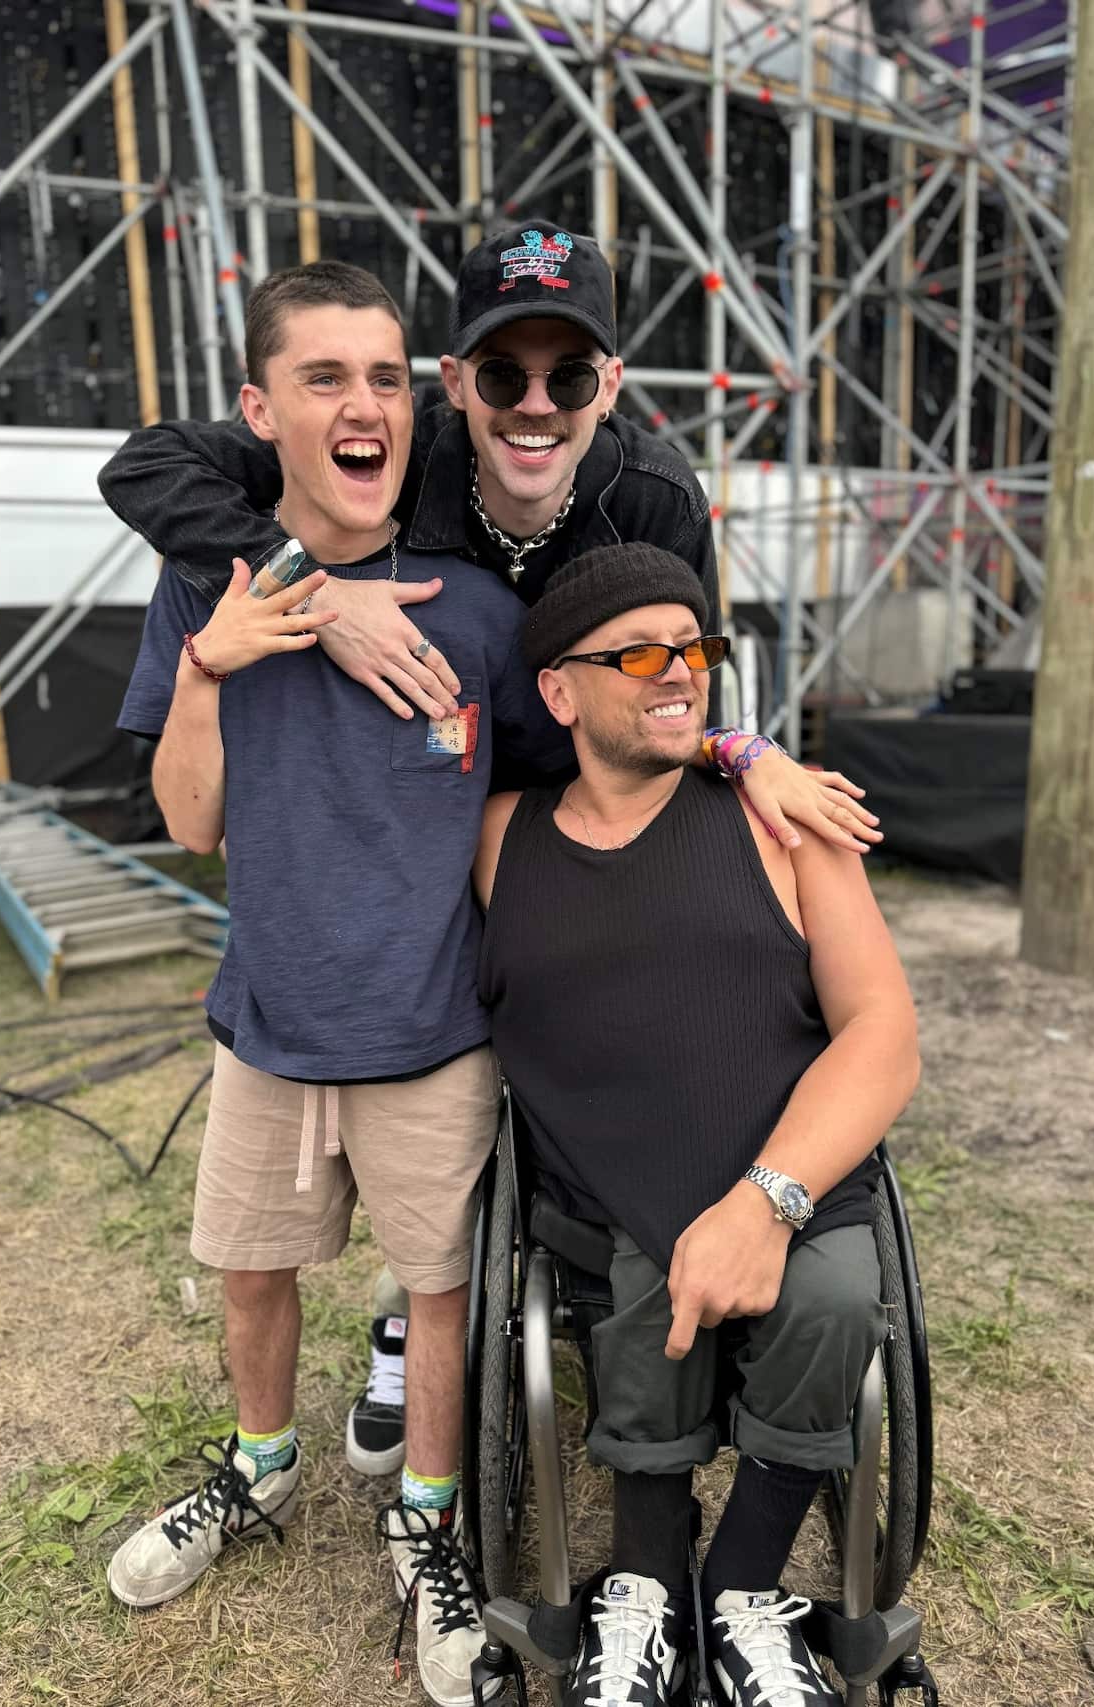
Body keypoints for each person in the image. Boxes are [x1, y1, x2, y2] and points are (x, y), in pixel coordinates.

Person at [98, 227, 883, 1481]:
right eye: (498, 375)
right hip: (427, 789)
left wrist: (741, 753)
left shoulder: (654, 501)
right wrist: (317, 591)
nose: (534, 403)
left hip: (569, 757)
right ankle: (405, 1335)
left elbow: (675, 679)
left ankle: (571, 1257)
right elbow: (149, 465)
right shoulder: (391, 448)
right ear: (450, 384)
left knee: (598, 1011)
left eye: (566, 379)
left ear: (607, 387)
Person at [106, 258, 579, 1707]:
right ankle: (259, 1467)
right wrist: (211, 664)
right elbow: (189, 824)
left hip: (436, 1033)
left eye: (383, 376)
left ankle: (426, 1518)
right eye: (324, 378)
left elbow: (553, 797)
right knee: (252, 1268)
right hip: (268, 1017)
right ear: (262, 411)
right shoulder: (209, 579)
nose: (360, 404)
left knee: (438, 1288)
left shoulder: (484, 619)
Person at [472, 544, 921, 1707]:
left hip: (786, 1171)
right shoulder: (495, 841)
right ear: (560, 693)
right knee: (628, 1274)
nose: (680, 672)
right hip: (599, 1199)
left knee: (827, 1297)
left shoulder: (784, 825)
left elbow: (880, 1032)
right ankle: (644, 1584)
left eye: (696, 648)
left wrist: (763, 1205)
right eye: (640, 653)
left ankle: (737, 1588)